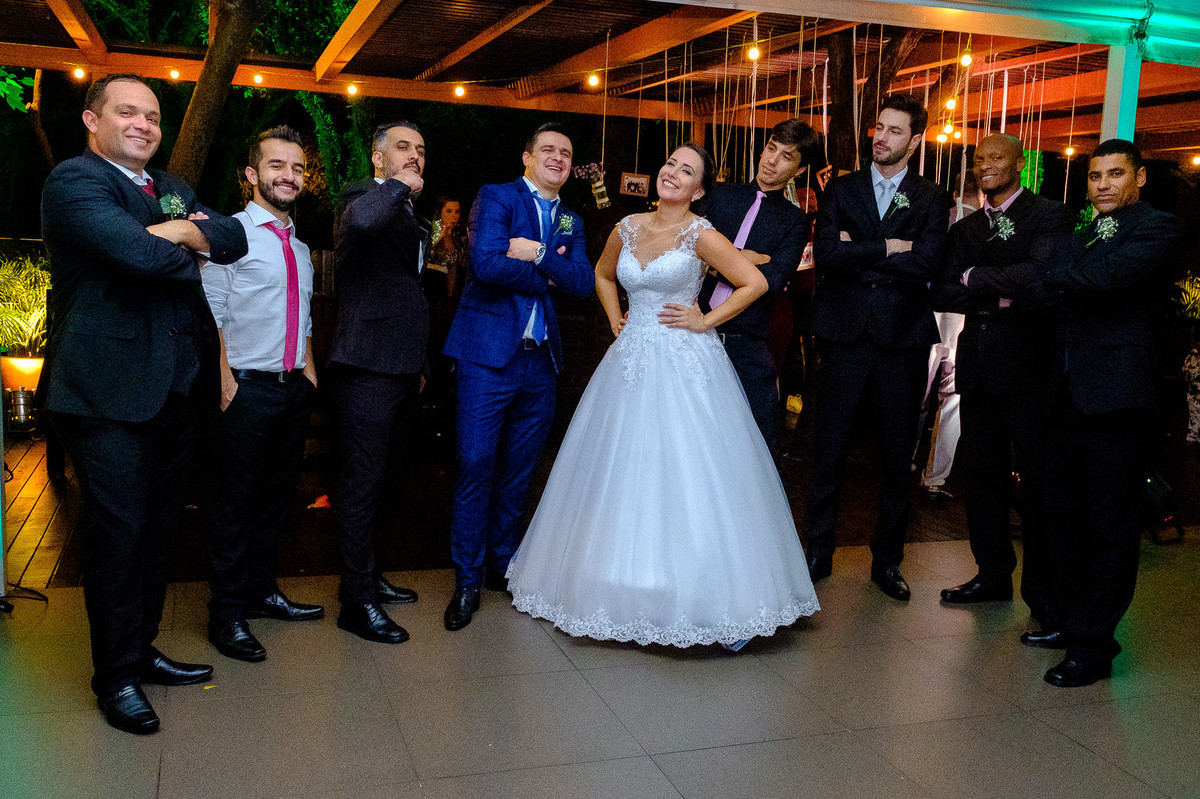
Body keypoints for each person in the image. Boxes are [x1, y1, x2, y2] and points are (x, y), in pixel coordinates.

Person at [507, 144, 818, 647]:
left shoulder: (701, 233)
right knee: (622, 468)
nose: (672, 172)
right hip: (629, 360)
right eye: (669, 163)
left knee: (685, 471)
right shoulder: (626, 227)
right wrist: (614, 317)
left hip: (685, 362)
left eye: (686, 170)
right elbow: (604, 275)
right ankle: (617, 583)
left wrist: (705, 319)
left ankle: (688, 589)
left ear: (699, 190)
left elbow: (754, 282)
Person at [40, 73, 248, 734]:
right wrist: (191, 236)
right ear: (92, 121)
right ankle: (116, 677)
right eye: (126, 111)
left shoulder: (170, 186)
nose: (143, 123)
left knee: (159, 533)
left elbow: (236, 239)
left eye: (152, 115)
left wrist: (177, 231)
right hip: (103, 391)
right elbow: (135, 255)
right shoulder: (75, 181)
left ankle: (141, 650)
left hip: (172, 389)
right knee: (119, 536)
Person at [1026, 139, 1184, 687]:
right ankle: (1069, 622)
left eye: (1116, 175)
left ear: (1138, 178)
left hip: (1118, 395)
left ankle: (1094, 646)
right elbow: (1048, 293)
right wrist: (1065, 280)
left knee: (1111, 525)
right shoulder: (1084, 230)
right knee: (1059, 516)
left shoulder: (1159, 226)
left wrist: (1061, 278)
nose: (1104, 185)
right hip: (1065, 393)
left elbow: (1108, 280)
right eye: (1095, 177)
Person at [442, 123, 596, 631]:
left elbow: (581, 283)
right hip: (487, 356)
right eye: (548, 149)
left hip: (541, 362)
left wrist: (532, 252)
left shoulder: (571, 219)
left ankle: (501, 564)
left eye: (566, 153)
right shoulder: (497, 196)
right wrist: (547, 265)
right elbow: (486, 264)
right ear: (527, 156)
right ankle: (466, 577)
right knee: (475, 462)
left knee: (519, 469)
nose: (557, 158)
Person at [805, 94, 949, 600]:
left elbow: (930, 262)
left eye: (893, 131)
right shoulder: (841, 188)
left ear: (915, 140)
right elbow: (827, 254)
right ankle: (818, 551)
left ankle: (887, 560)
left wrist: (858, 253)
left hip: (902, 340)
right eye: (879, 128)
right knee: (829, 448)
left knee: (895, 456)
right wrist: (891, 247)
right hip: (844, 334)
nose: (881, 138)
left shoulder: (932, 197)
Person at [931, 134, 1073, 615]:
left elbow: (1041, 277)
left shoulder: (1049, 215)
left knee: (1038, 482)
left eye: (995, 158)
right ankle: (992, 575)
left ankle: (1044, 590)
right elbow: (944, 292)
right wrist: (1000, 287)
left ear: (1019, 164)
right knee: (982, 478)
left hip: (1030, 367)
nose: (985, 166)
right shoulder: (965, 229)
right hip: (977, 366)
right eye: (979, 160)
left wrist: (975, 278)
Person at [201, 126, 324, 664]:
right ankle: (226, 614)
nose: (288, 176)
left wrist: (310, 375)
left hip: (290, 389)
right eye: (277, 166)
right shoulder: (231, 235)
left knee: (275, 500)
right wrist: (224, 380)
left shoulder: (298, 245)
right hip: (243, 390)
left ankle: (261, 591)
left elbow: (306, 319)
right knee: (234, 504)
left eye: (296, 168)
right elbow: (211, 313)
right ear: (252, 175)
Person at [326, 122, 430, 644]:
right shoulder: (360, 197)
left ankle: (370, 576)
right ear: (376, 158)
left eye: (421, 151)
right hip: (365, 364)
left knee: (387, 481)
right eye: (403, 149)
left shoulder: (412, 216)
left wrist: (419, 365)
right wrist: (396, 186)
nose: (415, 157)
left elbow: (406, 290)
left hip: (401, 366)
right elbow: (365, 223)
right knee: (361, 484)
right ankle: (355, 601)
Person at [698, 118, 821, 462]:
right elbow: (687, 251)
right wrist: (745, 260)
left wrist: (716, 259)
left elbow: (773, 279)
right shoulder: (719, 195)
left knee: (760, 438)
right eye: (770, 148)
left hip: (745, 337)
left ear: (799, 169)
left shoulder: (796, 222)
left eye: (786, 156)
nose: (771, 160)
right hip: (692, 324)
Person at [916, 171, 982, 499]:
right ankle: (935, 476)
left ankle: (901, 461)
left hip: (930, 309)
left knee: (918, 389)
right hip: (966, 316)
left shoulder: (941, 219)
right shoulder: (986, 226)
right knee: (952, 397)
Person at [423, 195, 468, 395]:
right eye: (449, 211)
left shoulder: (458, 237)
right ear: (440, 212)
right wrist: (442, 232)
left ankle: (443, 382)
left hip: (445, 296)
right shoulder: (432, 230)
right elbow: (423, 255)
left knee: (444, 337)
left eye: (456, 211)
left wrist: (452, 300)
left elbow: (455, 270)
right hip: (428, 287)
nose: (453, 215)